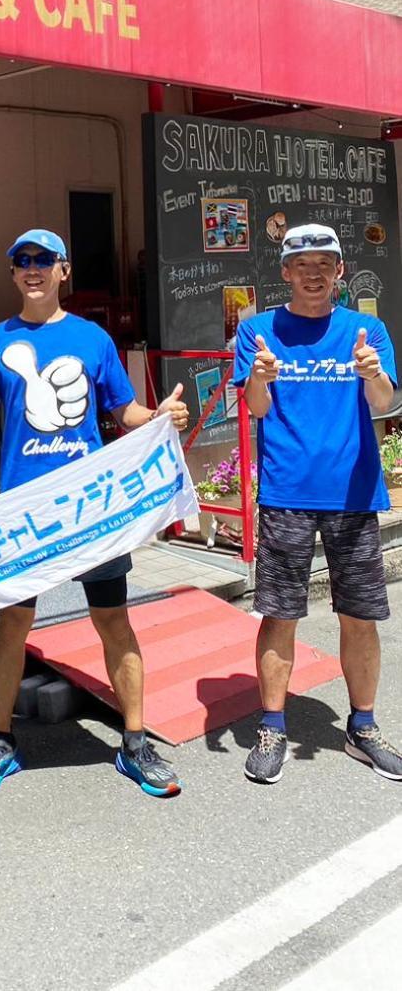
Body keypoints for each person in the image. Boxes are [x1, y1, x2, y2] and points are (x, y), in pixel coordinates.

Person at [0, 229, 190, 797]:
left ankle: (136, 743)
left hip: (90, 507)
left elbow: (124, 412)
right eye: (21, 260)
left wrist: (162, 415)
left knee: (113, 620)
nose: (32, 269)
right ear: (13, 273)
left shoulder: (92, 339)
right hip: (26, 512)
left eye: (44, 260)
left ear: (63, 271)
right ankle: (1, 740)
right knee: (12, 625)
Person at [235, 223, 400, 785]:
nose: (312, 271)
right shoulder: (257, 331)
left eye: (323, 262)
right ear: (284, 271)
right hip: (286, 495)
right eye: (301, 262)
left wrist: (372, 374)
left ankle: (363, 727)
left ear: (338, 271)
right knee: (279, 614)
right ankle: (273, 725)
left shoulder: (367, 329)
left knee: (360, 616)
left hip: (353, 494)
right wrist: (261, 378)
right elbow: (257, 409)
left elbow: (383, 402)